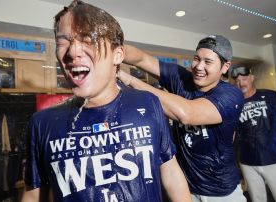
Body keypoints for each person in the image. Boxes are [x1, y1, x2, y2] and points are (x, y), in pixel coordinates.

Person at [21, 1, 191, 202]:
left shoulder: (148, 103)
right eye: (63, 42)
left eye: (87, 39)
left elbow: (170, 172)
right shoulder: (42, 123)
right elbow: (33, 195)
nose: (72, 52)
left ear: (118, 54)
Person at [118, 35, 246, 202]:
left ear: (225, 67)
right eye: (196, 59)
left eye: (208, 62)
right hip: (186, 190)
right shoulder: (181, 79)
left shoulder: (231, 95)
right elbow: (141, 58)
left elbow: (187, 114)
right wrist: (111, 51)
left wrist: (130, 80)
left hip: (222, 193)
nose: (199, 66)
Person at [231, 66, 276, 202]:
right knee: (257, 199)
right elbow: (232, 132)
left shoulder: (270, 95)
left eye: (244, 78)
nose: (241, 83)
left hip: (274, 159)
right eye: (237, 81)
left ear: (252, 78)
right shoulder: (234, 104)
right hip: (247, 162)